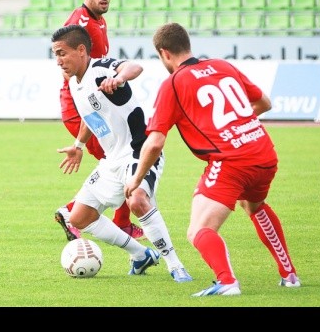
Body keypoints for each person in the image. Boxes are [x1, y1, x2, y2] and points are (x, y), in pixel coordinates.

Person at [125, 22, 301, 296]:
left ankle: (227, 281)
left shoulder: (173, 84)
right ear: (187, 45)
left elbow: (155, 141)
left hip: (232, 162)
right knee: (254, 206)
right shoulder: (222, 66)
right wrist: (237, 128)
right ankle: (289, 274)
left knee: (199, 230)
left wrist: (136, 180)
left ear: (164, 54)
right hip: (263, 152)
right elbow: (264, 103)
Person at [52, 24, 192, 281]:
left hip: (138, 151)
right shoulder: (74, 83)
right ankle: (141, 255)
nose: (58, 60)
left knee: (137, 200)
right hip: (112, 160)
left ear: (81, 50)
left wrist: (119, 78)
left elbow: (134, 67)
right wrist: (79, 145)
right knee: (79, 218)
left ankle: (175, 265)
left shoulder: (100, 69)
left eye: (62, 53)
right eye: (55, 54)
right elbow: (88, 115)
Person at [54, 0, 145, 242]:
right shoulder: (80, 23)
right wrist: (90, 99)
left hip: (95, 104)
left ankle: (81, 212)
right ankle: (75, 213)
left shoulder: (97, 20)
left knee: (119, 159)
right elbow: (67, 68)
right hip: (80, 107)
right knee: (118, 160)